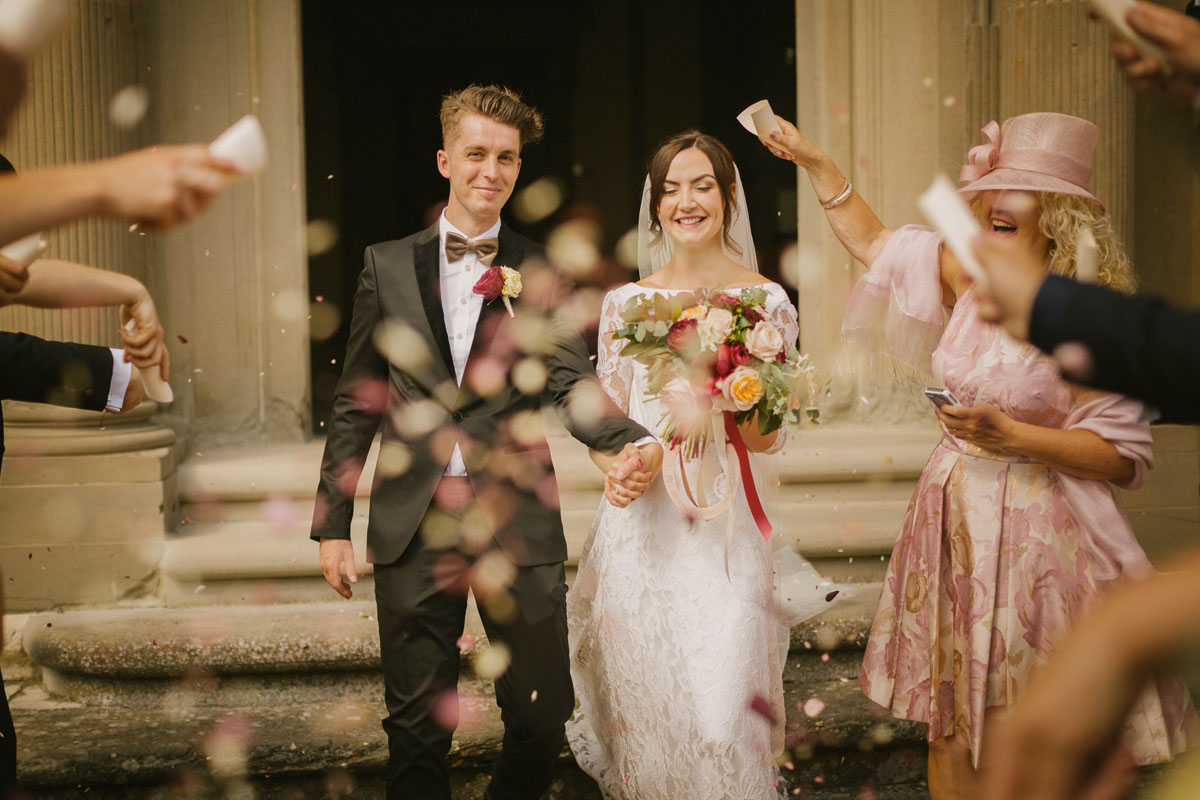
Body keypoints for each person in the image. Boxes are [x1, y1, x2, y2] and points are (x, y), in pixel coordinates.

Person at [761, 111, 1198, 799]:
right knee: (950, 719)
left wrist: (1015, 437)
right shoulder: (965, 273)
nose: (996, 200)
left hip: (1039, 535)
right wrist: (816, 162)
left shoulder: (1086, 311)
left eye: (1017, 191)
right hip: (951, 516)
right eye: (994, 186)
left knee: (1025, 719)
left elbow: (1120, 456)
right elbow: (874, 242)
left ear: (1055, 214)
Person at [310, 85, 660, 800]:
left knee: (542, 715)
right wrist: (332, 523)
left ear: (518, 169)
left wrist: (631, 439)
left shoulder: (541, 270)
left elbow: (567, 379)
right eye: (475, 153)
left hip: (516, 515)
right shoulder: (385, 264)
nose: (490, 170)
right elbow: (356, 399)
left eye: (506, 158)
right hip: (414, 518)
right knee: (415, 729)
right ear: (445, 160)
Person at [565, 131, 837, 799]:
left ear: (729, 196)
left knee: (723, 720)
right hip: (644, 538)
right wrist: (617, 466)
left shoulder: (766, 305)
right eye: (671, 189)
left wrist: (728, 393)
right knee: (653, 719)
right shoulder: (622, 306)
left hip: (725, 536)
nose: (686, 201)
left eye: (702, 185)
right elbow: (611, 426)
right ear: (655, 206)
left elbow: (772, 440)